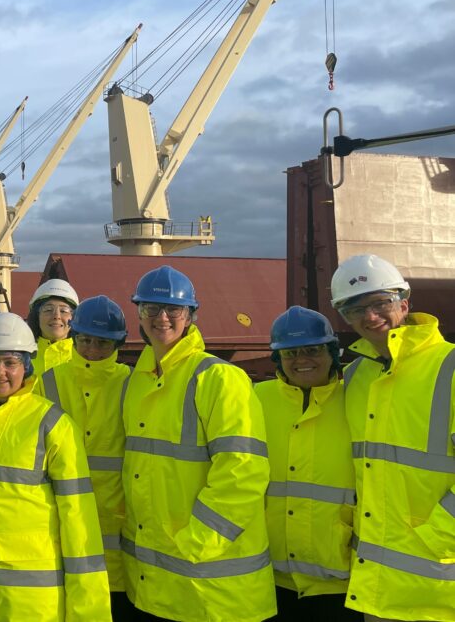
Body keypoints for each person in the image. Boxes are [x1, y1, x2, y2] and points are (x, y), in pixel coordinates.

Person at [120, 265, 274, 622]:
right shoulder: (137, 382)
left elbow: (244, 472)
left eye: (173, 309)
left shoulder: (219, 378)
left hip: (213, 585)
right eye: (151, 308)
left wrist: (197, 543)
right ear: (138, 314)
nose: (162, 318)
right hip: (151, 581)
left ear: (190, 315)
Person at [0, 312, 109, 621]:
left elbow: (79, 523)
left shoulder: (52, 425)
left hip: (31, 602)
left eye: (10, 362)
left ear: (27, 365)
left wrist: (88, 613)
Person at [330, 254, 455, 621]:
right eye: (354, 309)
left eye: (380, 302)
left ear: (404, 303)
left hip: (440, 584)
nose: (370, 317)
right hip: (378, 587)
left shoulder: (449, 367)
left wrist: (438, 537)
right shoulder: (356, 377)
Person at [254, 307, 358, 621]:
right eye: (290, 353)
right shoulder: (256, 398)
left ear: (332, 352)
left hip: (341, 581)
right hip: (269, 577)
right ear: (277, 358)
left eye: (313, 350)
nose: (302, 359)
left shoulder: (356, 399)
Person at [39, 295, 134, 620]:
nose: (93, 350)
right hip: (61, 519)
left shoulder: (132, 383)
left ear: (117, 344)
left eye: (103, 343)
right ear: (74, 337)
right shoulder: (49, 381)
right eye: (86, 341)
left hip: (119, 528)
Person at [26, 278, 79, 376]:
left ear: (74, 317)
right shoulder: (22, 356)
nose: (56, 316)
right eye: (48, 310)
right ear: (37, 316)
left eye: (64, 311)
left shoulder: (84, 357)